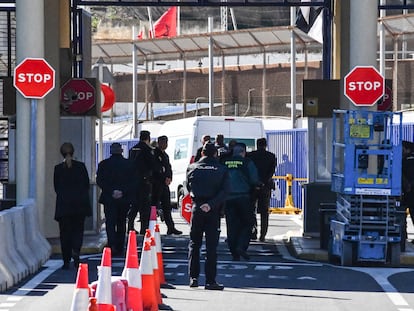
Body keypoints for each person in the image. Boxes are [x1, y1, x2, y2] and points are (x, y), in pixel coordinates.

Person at [186, 142, 229, 290]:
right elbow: (225, 191)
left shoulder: (192, 168)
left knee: (194, 244)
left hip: (197, 208)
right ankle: (210, 281)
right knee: (211, 247)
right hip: (213, 210)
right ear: (215, 154)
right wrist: (211, 204)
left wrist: (199, 202)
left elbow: (188, 187)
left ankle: (193, 278)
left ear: (202, 153)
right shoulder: (222, 169)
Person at [53, 142, 92, 270]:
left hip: (64, 207)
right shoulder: (81, 167)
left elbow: (56, 188)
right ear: (73, 152)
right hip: (79, 206)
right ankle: (76, 252)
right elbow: (86, 184)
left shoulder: (58, 169)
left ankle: (66, 260)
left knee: (65, 233)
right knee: (78, 231)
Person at [223, 142, 261, 261]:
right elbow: (254, 180)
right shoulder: (247, 162)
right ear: (243, 153)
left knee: (231, 226)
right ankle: (241, 246)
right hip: (243, 197)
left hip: (228, 198)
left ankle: (234, 253)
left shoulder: (225, 162)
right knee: (248, 223)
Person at [97, 142, 135, 256]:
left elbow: (100, 180)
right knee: (122, 221)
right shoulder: (129, 164)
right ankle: (120, 246)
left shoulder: (104, 164)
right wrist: (123, 191)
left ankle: (111, 244)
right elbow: (133, 181)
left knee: (110, 222)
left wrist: (111, 191)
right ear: (122, 151)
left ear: (110, 151)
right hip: (124, 198)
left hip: (109, 197)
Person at [247, 138, 277, 242]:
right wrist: (264, 182)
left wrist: (255, 182)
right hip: (265, 186)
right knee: (264, 212)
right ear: (265, 145)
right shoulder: (271, 156)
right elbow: (271, 171)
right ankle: (263, 235)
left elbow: (249, 171)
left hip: (252, 186)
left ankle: (253, 232)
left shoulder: (250, 156)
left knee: (251, 210)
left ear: (257, 145)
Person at [152, 135, 182, 235]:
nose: (164, 145)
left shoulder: (165, 155)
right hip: (156, 185)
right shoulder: (155, 154)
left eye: (166, 142)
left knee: (167, 206)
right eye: (163, 142)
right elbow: (156, 169)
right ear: (158, 143)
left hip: (164, 185)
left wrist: (169, 178)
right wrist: (163, 178)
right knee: (153, 206)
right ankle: (150, 226)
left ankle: (171, 227)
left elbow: (168, 168)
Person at [128, 130, 157, 234]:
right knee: (144, 207)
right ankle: (143, 228)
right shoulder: (148, 150)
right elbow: (152, 165)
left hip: (133, 181)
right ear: (148, 138)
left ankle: (130, 227)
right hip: (144, 182)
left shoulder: (133, 149)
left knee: (134, 205)